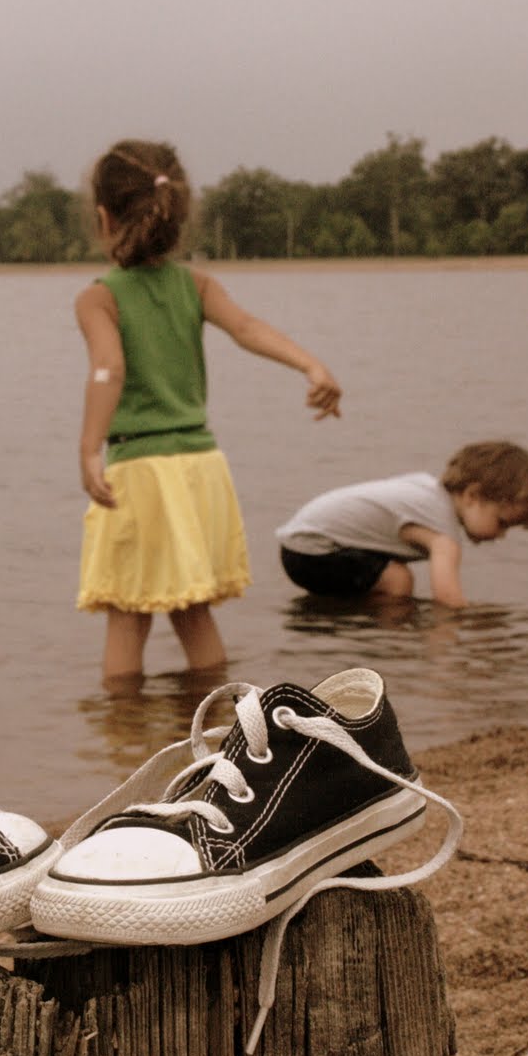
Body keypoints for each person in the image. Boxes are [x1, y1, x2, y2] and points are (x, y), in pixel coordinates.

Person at [76, 138, 341, 682]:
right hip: (201, 469)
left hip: (142, 471)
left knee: (126, 612)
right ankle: (223, 717)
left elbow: (109, 368)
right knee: (193, 611)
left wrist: (88, 449)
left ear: (104, 218)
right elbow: (246, 328)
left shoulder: (99, 297)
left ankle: (123, 728)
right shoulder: (196, 285)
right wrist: (311, 365)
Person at [276, 440, 528, 608]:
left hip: (300, 546)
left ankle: (339, 616)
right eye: (502, 523)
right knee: (398, 580)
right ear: (472, 495)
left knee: (391, 574)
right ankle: (389, 639)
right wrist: (471, 623)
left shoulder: (429, 493)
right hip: (310, 550)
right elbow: (447, 599)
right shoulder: (442, 531)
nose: (500, 536)